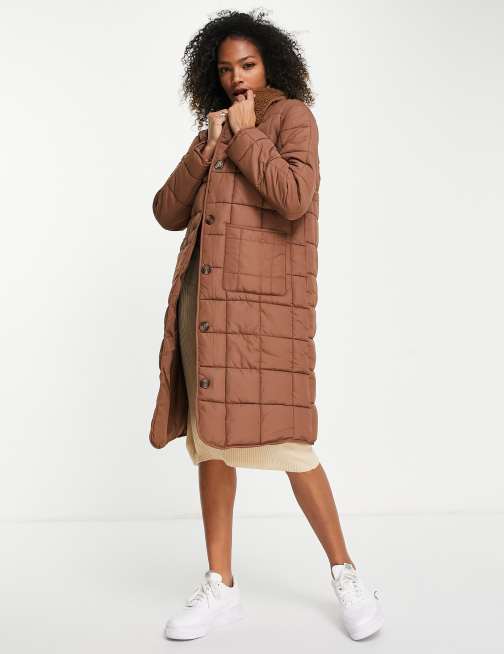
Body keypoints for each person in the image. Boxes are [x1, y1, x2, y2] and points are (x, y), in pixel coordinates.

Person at [149, 9, 384, 642]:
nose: (236, 79)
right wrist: (208, 144)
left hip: (262, 317)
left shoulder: (292, 119)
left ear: (271, 64)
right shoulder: (216, 129)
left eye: (247, 65)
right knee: (212, 443)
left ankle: (346, 574)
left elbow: (294, 197)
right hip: (206, 307)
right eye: (226, 69)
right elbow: (166, 211)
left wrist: (249, 136)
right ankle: (220, 584)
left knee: (290, 446)